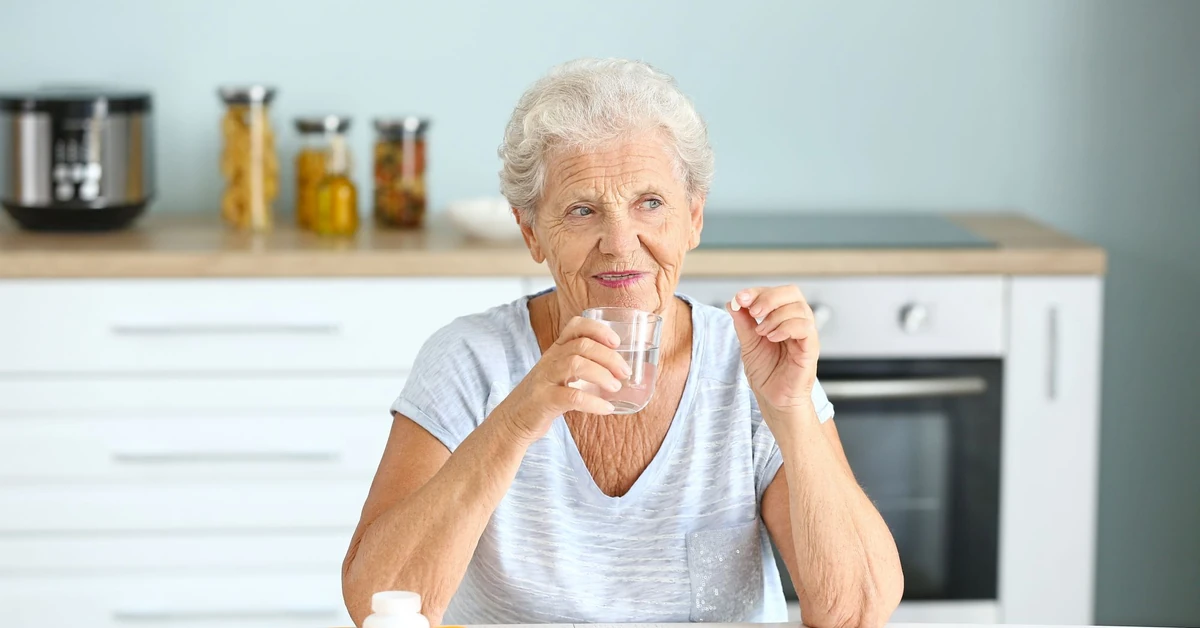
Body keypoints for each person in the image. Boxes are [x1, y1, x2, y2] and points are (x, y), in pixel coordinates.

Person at [342, 58, 903, 628]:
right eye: (582, 210)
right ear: (532, 232)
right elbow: (377, 603)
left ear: (693, 218)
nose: (619, 242)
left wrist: (792, 411)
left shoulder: (748, 365)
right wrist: (516, 421)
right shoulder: (470, 360)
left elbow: (856, 612)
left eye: (650, 204)